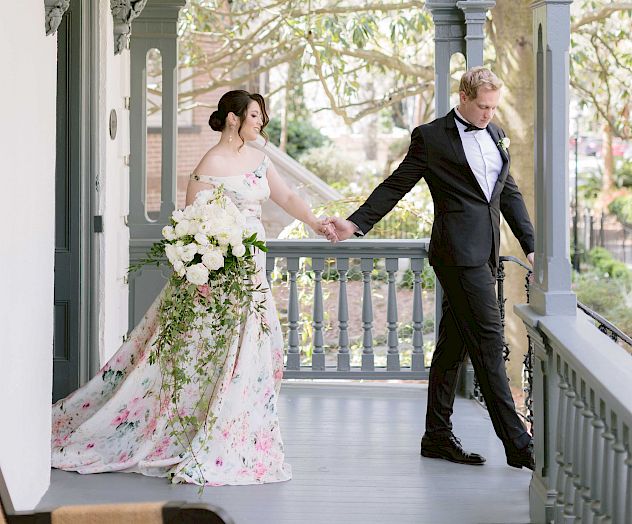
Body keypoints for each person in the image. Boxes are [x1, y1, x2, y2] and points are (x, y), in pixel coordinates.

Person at [51, 90, 331, 485]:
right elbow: (191, 228)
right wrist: (204, 272)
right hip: (218, 276)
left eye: (261, 117)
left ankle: (239, 432)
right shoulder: (208, 165)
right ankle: (190, 428)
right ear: (233, 119)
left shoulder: (260, 160)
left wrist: (318, 224)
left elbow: (285, 196)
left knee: (257, 350)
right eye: (254, 115)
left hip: (253, 270)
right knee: (200, 354)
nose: (260, 122)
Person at [324, 67, 535, 471]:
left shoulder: (495, 133)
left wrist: (533, 247)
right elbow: (396, 184)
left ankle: (437, 435)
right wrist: (355, 223)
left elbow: (507, 192)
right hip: (457, 255)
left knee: (453, 345)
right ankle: (519, 445)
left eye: (494, 107)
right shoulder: (432, 136)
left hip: (486, 254)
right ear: (464, 97)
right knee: (490, 342)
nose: (490, 114)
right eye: (483, 106)